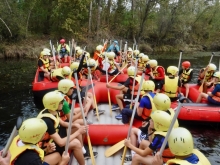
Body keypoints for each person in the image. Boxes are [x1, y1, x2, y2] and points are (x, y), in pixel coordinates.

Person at [37, 91, 90, 165]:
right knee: (76, 143)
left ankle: (83, 150)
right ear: (54, 104)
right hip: (52, 145)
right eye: (61, 102)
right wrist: (78, 132)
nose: (63, 103)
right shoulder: (47, 121)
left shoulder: (53, 111)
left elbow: (63, 123)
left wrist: (75, 125)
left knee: (79, 126)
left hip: (58, 134)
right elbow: (61, 143)